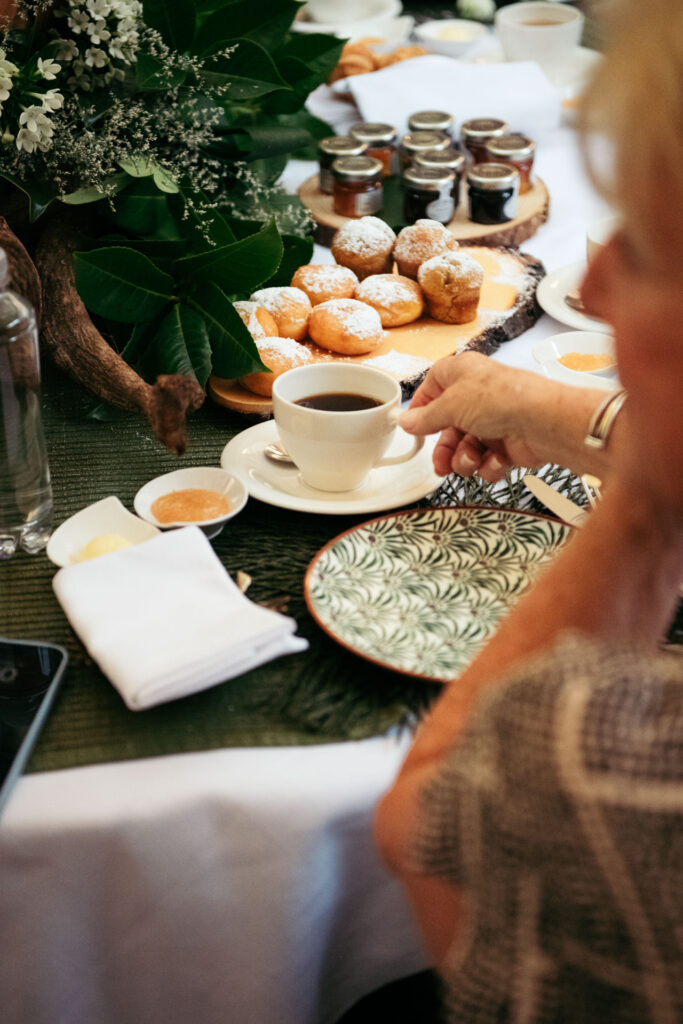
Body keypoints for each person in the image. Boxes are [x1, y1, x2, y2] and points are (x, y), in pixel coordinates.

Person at [373, 0, 683, 1020]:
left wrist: (646, 494)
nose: (588, 284)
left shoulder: (594, 755)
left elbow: (428, 828)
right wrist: (567, 413)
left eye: (641, 247)